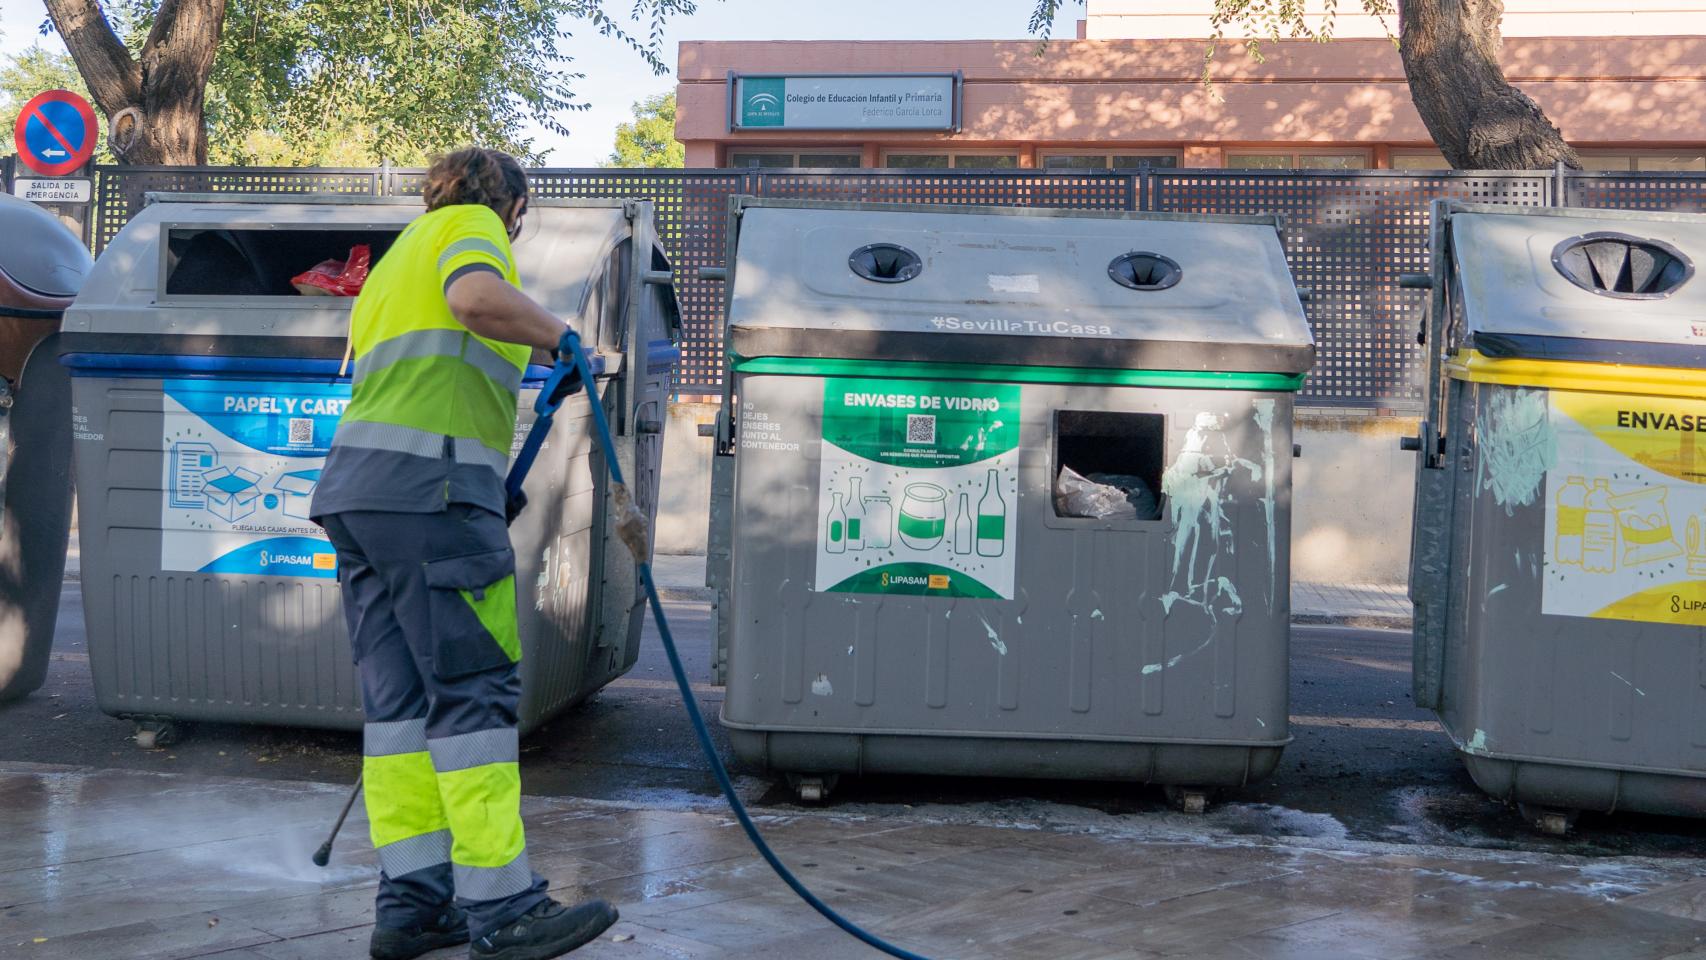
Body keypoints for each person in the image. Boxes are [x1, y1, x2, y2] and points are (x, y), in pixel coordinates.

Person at [311, 147, 615, 960]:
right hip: (432, 504)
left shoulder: (391, 267)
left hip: (363, 501)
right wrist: (564, 336)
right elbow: (477, 299)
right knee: (474, 699)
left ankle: (412, 908)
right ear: (511, 204)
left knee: (401, 714)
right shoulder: (473, 228)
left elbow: (430, 374)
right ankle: (504, 905)